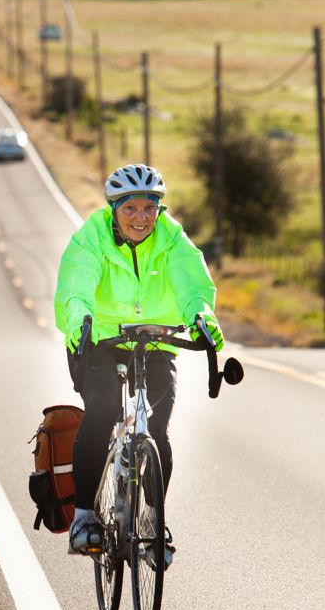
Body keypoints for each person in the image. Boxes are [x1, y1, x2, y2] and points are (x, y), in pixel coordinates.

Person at [53, 164, 225, 566]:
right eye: (130, 208)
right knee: (104, 409)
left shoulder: (172, 238)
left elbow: (193, 286)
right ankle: (84, 517)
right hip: (98, 337)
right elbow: (75, 288)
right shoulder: (90, 238)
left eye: (150, 208)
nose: (141, 218)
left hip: (155, 337)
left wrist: (203, 318)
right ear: (114, 209)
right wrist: (79, 320)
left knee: (158, 425)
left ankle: (151, 520)